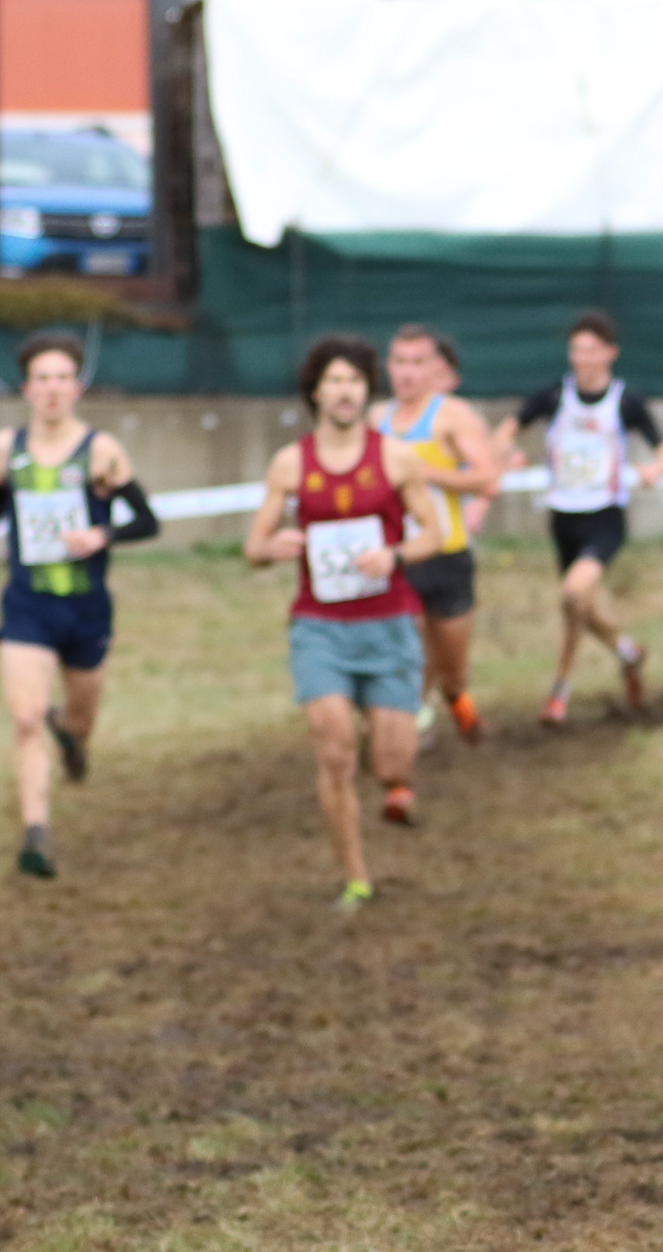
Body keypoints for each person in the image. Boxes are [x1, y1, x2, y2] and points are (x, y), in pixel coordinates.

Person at [241, 334, 453, 910]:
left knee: (391, 763)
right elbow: (253, 547)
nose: (344, 391)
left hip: (388, 624)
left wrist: (396, 555)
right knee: (334, 751)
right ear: (315, 391)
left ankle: (387, 750)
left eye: (354, 380)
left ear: (367, 390)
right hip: (320, 627)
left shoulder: (396, 457)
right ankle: (356, 875)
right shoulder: (291, 463)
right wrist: (273, 546)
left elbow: (434, 534)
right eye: (333, 380)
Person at [0, 330, 159, 878]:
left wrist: (102, 535)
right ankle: (36, 833)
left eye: (62, 378)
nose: (52, 389)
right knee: (25, 719)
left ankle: (70, 734)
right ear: (26, 388)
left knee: (82, 719)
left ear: (77, 387)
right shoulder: (6, 448)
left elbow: (147, 521)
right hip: (27, 604)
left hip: (86, 609)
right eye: (42, 378)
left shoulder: (102, 451)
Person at [492, 311, 663, 725]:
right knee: (579, 605)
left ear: (610, 353)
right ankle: (627, 651)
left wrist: (654, 470)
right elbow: (504, 432)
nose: (583, 358)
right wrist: (509, 453)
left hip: (604, 517)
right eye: (576, 350)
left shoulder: (626, 401)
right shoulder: (554, 396)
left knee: (574, 593)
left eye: (591, 350)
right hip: (563, 517)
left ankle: (559, 690)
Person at [373, 324, 502, 744]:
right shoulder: (376, 419)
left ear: (433, 368)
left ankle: (458, 703)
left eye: (417, 362)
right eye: (400, 362)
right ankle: (402, 726)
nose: (407, 372)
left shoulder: (452, 416)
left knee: (453, 667)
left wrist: (424, 472)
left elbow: (486, 478)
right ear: (388, 367)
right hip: (398, 555)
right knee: (406, 648)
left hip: (448, 555)